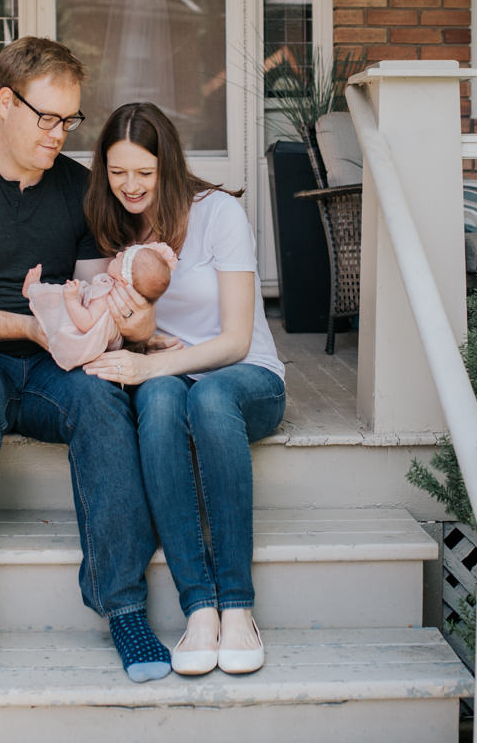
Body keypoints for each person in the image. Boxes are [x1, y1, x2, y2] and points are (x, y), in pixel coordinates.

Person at [0, 37, 171, 687]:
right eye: (48, 118)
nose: (60, 134)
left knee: (102, 396)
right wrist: (25, 326)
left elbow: (104, 298)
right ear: (5, 102)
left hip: (55, 369)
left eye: (71, 120)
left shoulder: (80, 189)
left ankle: (123, 607)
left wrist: (131, 325)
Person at [81, 102, 286, 676]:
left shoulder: (218, 213)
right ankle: (199, 608)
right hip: (170, 374)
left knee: (209, 396)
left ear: (167, 165)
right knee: (162, 398)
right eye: (118, 173)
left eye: (143, 173)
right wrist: (147, 345)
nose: (130, 186)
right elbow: (104, 318)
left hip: (245, 377)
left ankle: (238, 606)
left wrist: (149, 363)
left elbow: (237, 340)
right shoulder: (113, 225)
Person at [23, 242, 178, 372]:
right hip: (99, 346)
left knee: (59, 296)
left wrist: (71, 299)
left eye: (121, 259)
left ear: (123, 279)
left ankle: (33, 290)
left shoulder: (105, 294)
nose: (117, 255)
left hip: (80, 334)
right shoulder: (124, 300)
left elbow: (86, 322)